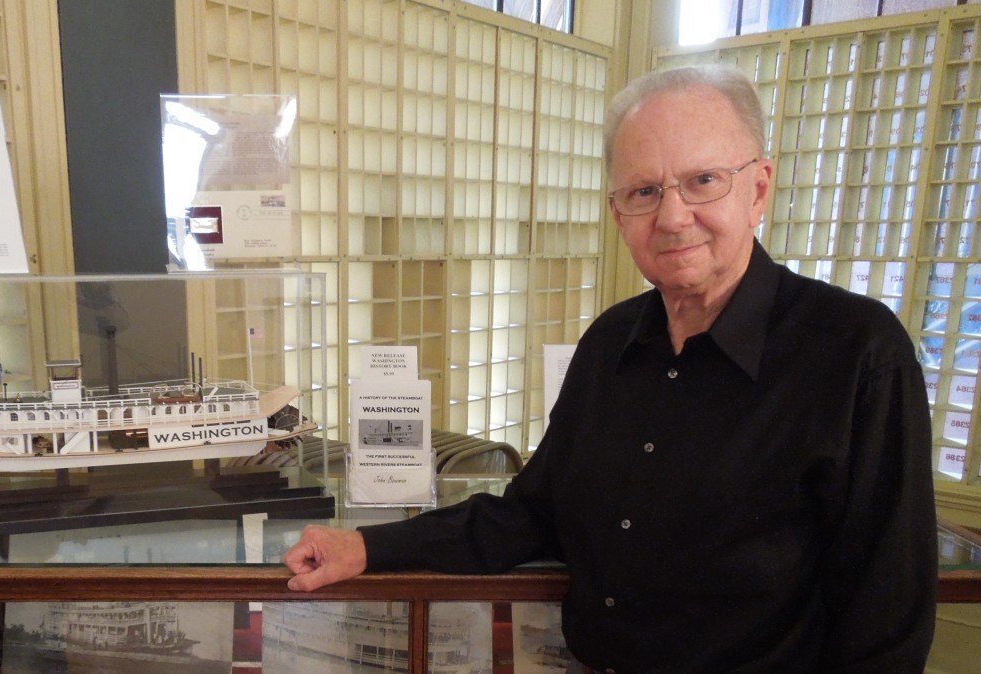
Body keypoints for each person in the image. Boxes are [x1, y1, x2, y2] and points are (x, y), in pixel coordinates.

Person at [283, 64, 938, 672]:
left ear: (758, 186)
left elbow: (886, 613)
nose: (673, 216)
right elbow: (532, 514)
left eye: (702, 181)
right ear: (618, 213)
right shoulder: (609, 343)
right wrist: (366, 548)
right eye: (645, 191)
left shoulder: (857, 352)